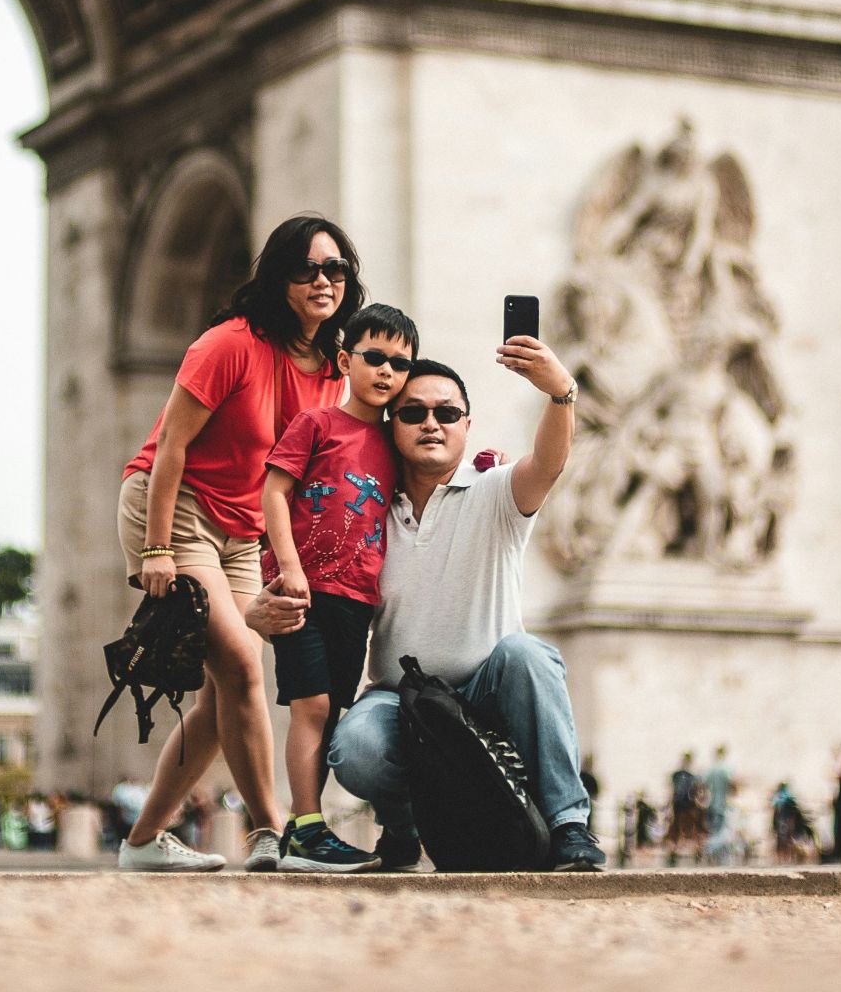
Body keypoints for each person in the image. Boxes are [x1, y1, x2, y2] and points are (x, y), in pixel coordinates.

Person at [252, 342, 608, 873]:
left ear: (467, 425)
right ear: (391, 426)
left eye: (447, 413)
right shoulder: (363, 512)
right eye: (413, 413)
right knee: (357, 748)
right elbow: (323, 601)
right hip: (402, 700)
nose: (431, 424)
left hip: (490, 690)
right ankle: (403, 827)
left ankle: (569, 826)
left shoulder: (497, 491)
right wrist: (256, 615)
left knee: (529, 656)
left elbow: (550, 463)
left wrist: (561, 393)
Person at [114, 216, 364, 872]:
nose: (322, 281)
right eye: (306, 269)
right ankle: (278, 833)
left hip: (242, 533)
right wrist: (157, 550)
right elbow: (171, 446)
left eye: (335, 268)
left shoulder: (331, 367)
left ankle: (141, 843)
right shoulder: (228, 344)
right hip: (176, 510)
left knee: (222, 691)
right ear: (279, 277)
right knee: (244, 670)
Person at [261, 303, 417, 873]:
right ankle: (306, 827)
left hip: (357, 601)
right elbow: (273, 493)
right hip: (301, 592)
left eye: (400, 363)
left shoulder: (396, 443)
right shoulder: (316, 424)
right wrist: (289, 566)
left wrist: (487, 461)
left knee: (330, 713)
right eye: (374, 357)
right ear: (346, 361)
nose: (387, 371)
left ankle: (305, 830)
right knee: (313, 705)